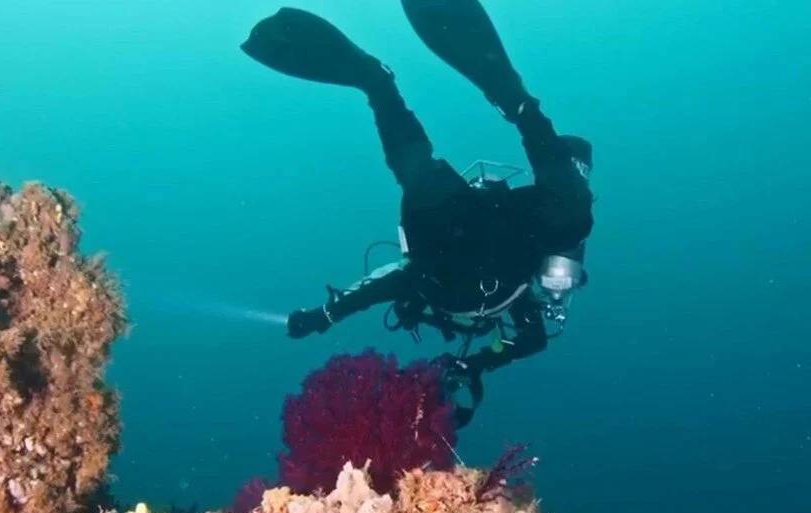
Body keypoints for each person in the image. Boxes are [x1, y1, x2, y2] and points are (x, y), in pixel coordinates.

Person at [242, 0, 594, 427]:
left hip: (447, 230)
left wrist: (326, 315)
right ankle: (520, 105)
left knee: (418, 176)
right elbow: (530, 337)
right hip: (495, 225)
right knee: (570, 218)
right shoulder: (531, 272)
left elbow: (392, 282)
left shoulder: (446, 288)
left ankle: (377, 83)